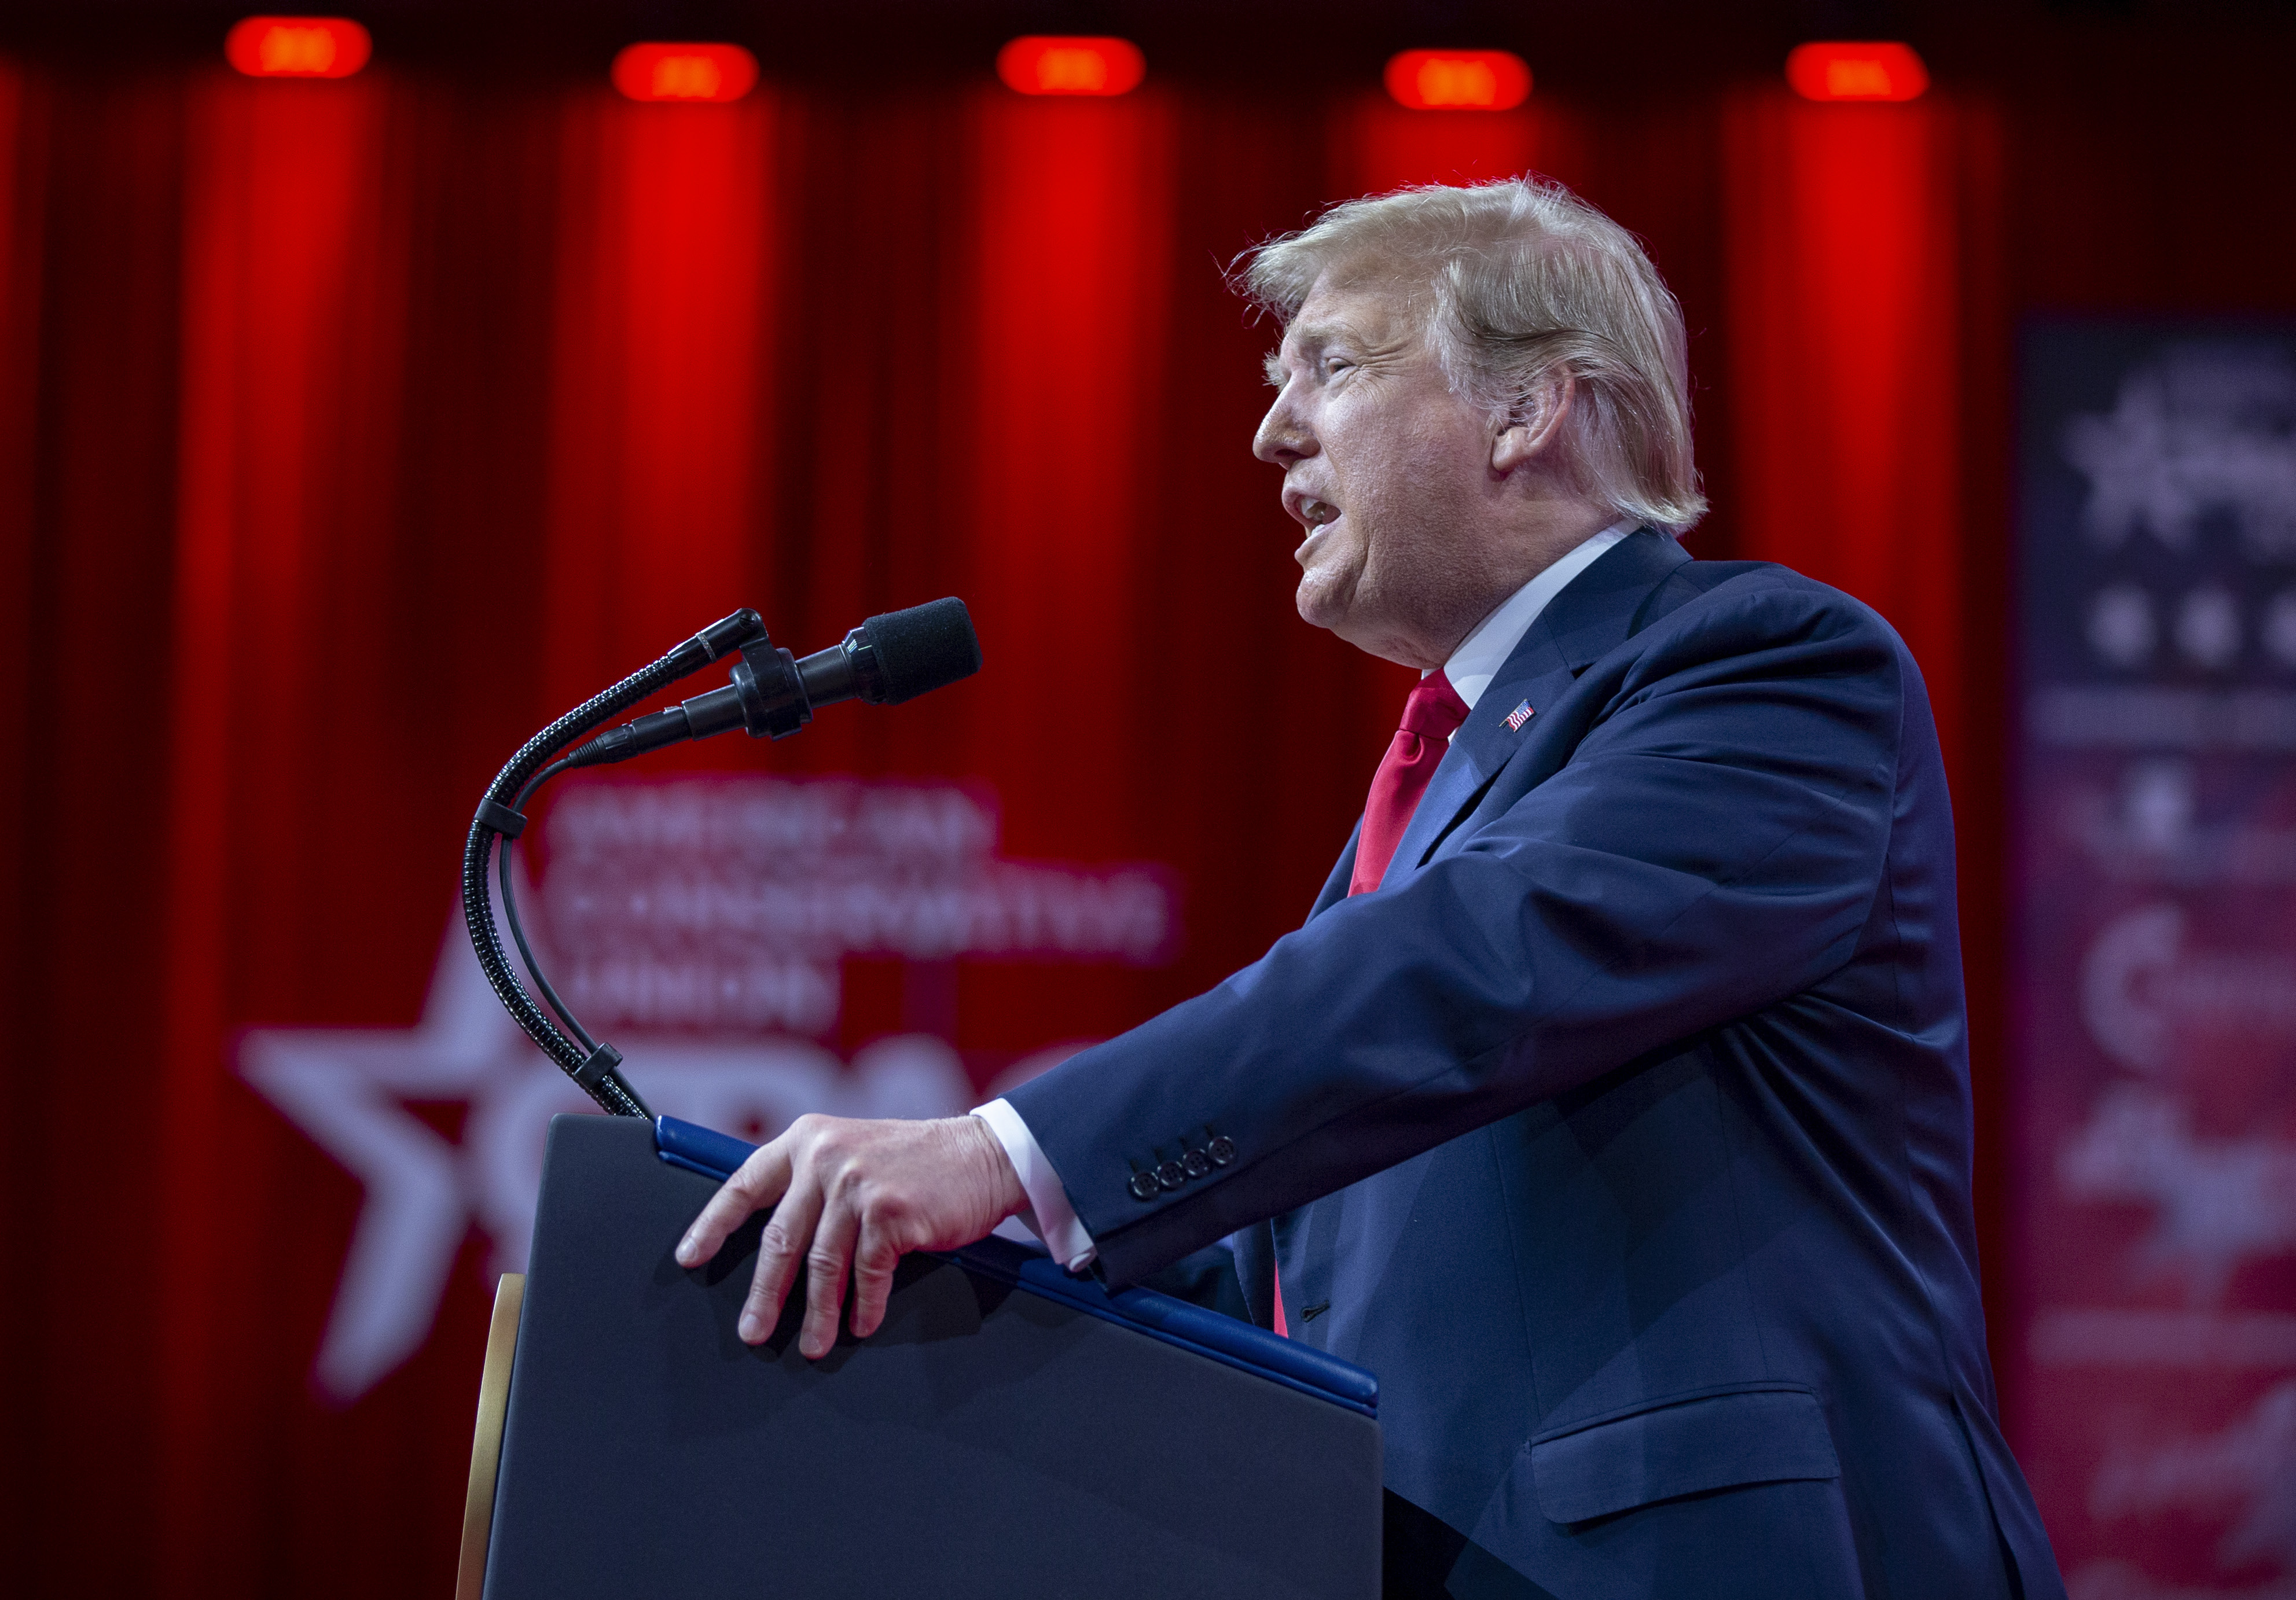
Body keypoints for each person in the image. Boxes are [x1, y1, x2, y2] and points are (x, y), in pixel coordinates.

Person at [676, 178, 2064, 1599]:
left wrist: (1000, 1153)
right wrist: (933, 1301)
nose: (1271, 431)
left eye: (1331, 368)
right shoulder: (1445, 773)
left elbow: (1474, 966)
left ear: (1527, 413)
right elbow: (1305, 1257)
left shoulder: (1765, 666)